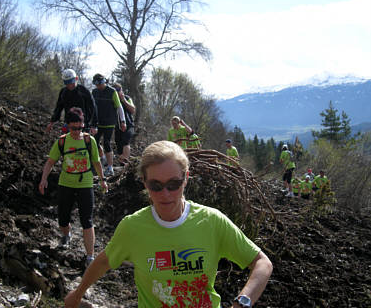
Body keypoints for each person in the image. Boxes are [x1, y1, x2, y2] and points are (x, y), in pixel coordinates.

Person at [64, 140, 273, 308]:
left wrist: (242, 302)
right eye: (156, 185)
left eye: (174, 184)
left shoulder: (211, 222)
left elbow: (262, 263)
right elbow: (103, 262)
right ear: (144, 183)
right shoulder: (133, 227)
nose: (165, 194)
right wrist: (77, 294)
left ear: (186, 179)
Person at [39, 107, 108, 267]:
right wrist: (44, 179)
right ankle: (66, 234)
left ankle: (90, 256)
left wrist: (103, 179)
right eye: (73, 128)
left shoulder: (89, 141)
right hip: (66, 183)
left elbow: (97, 162)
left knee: (87, 220)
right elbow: (50, 162)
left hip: (85, 183)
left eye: (79, 127)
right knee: (62, 218)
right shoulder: (62, 141)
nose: (77, 131)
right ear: (68, 126)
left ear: (83, 125)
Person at [91, 74, 126, 176]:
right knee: (95, 143)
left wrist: (122, 121)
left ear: (104, 82)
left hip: (109, 122)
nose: (99, 86)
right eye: (97, 84)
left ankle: (110, 167)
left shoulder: (112, 91)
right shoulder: (94, 92)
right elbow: (91, 107)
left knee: (106, 143)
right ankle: (102, 159)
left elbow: (119, 107)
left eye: (101, 83)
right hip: (98, 122)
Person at [46, 69, 97, 134]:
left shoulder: (84, 91)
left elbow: (93, 108)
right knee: (67, 143)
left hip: (83, 125)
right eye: (67, 83)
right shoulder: (63, 92)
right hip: (68, 124)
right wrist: (52, 122)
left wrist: (94, 125)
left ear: (76, 78)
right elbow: (58, 108)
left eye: (71, 82)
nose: (70, 85)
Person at [113, 83, 136, 164]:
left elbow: (132, 110)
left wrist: (124, 100)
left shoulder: (127, 98)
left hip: (129, 124)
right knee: (119, 144)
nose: (117, 93)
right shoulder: (112, 99)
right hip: (117, 126)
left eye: (118, 90)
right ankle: (121, 163)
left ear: (121, 90)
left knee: (126, 141)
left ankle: (125, 161)